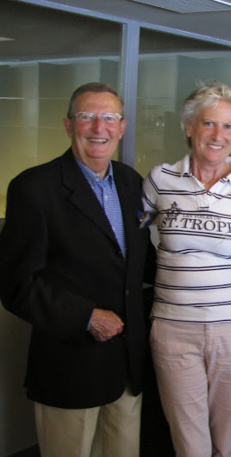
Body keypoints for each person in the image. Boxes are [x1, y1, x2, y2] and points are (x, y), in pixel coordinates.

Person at [0, 82, 156, 457]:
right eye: (86, 116)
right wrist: (86, 317)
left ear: (122, 127)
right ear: (69, 126)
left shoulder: (133, 183)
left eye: (109, 118)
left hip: (127, 368)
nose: (98, 127)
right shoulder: (34, 188)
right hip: (70, 366)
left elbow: (138, 267)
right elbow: (16, 284)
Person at [142, 81, 231, 457]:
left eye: (229, 126)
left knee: (228, 445)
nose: (219, 135)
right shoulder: (160, 181)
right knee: (189, 446)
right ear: (188, 127)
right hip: (172, 330)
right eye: (208, 124)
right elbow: (132, 235)